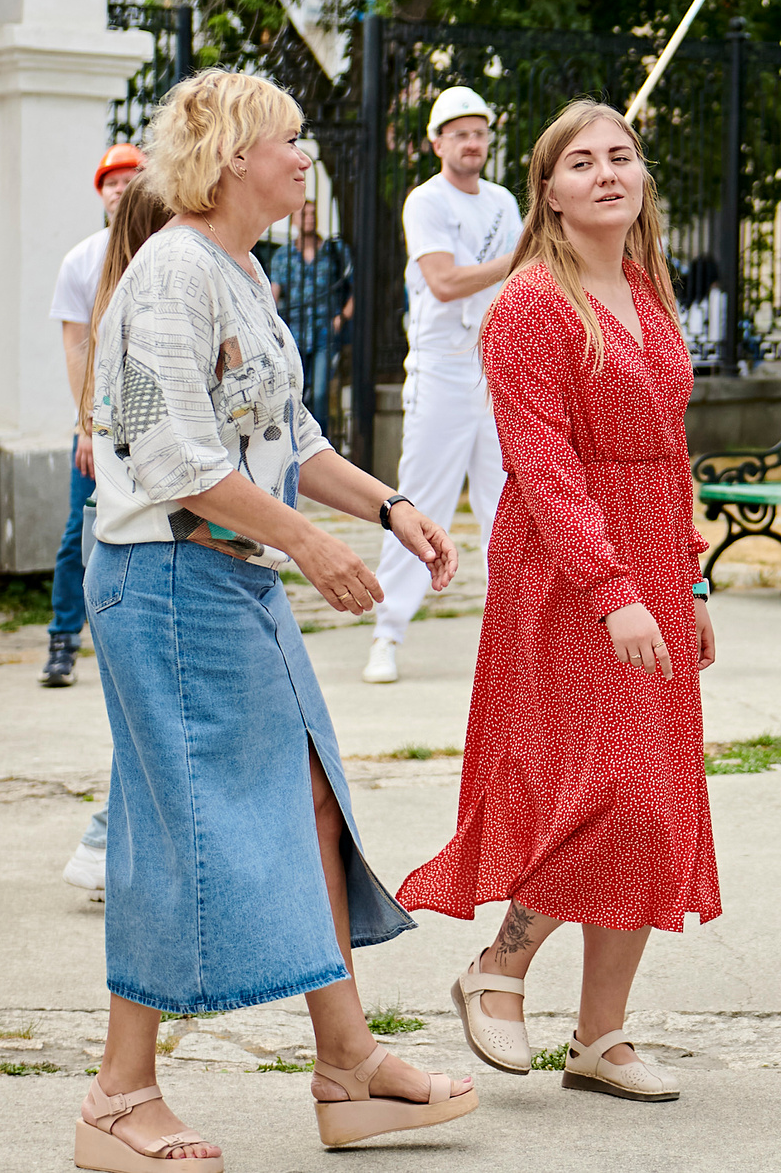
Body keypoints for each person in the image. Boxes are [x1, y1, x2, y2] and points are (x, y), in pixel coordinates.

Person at [82, 70, 472, 1162]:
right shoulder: (169, 273)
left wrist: (390, 508)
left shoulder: (240, 271)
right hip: (164, 581)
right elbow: (174, 459)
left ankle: (346, 1063)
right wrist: (307, 543)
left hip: (218, 580)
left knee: (309, 801)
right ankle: (118, 1099)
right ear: (231, 157)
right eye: (290, 140)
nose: (307, 157)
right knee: (179, 826)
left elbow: (290, 438)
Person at [399, 100, 717, 1107]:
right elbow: (541, 468)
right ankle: (498, 964)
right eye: (580, 162)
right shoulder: (531, 305)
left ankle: (601, 1037)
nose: (606, 173)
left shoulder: (646, 290)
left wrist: (692, 576)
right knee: (606, 787)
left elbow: (671, 451)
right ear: (547, 190)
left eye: (621, 156)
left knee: (655, 802)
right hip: (566, 570)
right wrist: (611, 588)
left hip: (653, 560)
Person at [367, 86, 521, 685]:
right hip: (443, 366)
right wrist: (521, 256)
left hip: (498, 363)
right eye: (460, 133)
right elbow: (445, 280)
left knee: (508, 502)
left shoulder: (506, 202)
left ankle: (517, 640)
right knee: (421, 499)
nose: (473, 142)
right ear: (438, 142)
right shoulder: (425, 202)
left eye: (480, 131)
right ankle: (388, 632)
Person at [58, 181, 177, 900]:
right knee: (148, 719)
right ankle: (105, 841)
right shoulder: (139, 326)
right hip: (138, 550)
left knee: (148, 716)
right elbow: (174, 461)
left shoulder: (132, 312)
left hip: (133, 543)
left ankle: (113, 845)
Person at [44, 143, 145, 689]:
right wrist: (86, 425)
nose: (122, 189)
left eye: (132, 179)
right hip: (100, 426)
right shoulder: (83, 259)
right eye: (112, 181)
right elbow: (77, 348)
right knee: (78, 533)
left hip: (157, 425)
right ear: (100, 192)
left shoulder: (164, 249)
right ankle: (64, 638)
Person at [269, 200, 354, 426]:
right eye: (303, 213)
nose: (309, 217)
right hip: (294, 334)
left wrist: (342, 317)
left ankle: (321, 445)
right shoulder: (283, 256)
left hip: (325, 332)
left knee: (320, 394)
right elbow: (272, 296)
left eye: (313, 213)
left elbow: (355, 289)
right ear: (293, 218)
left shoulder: (334, 251)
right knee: (294, 393)